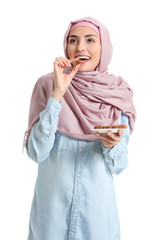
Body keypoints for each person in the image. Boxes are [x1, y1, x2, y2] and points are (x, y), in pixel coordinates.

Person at [24, 17, 136, 240]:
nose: (80, 47)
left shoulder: (117, 93)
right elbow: (36, 153)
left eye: (90, 40)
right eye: (73, 40)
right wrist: (58, 93)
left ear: (103, 48)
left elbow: (119, 165)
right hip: (50, 221)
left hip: (96, 222)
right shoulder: (47, 85)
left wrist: (110, 145)